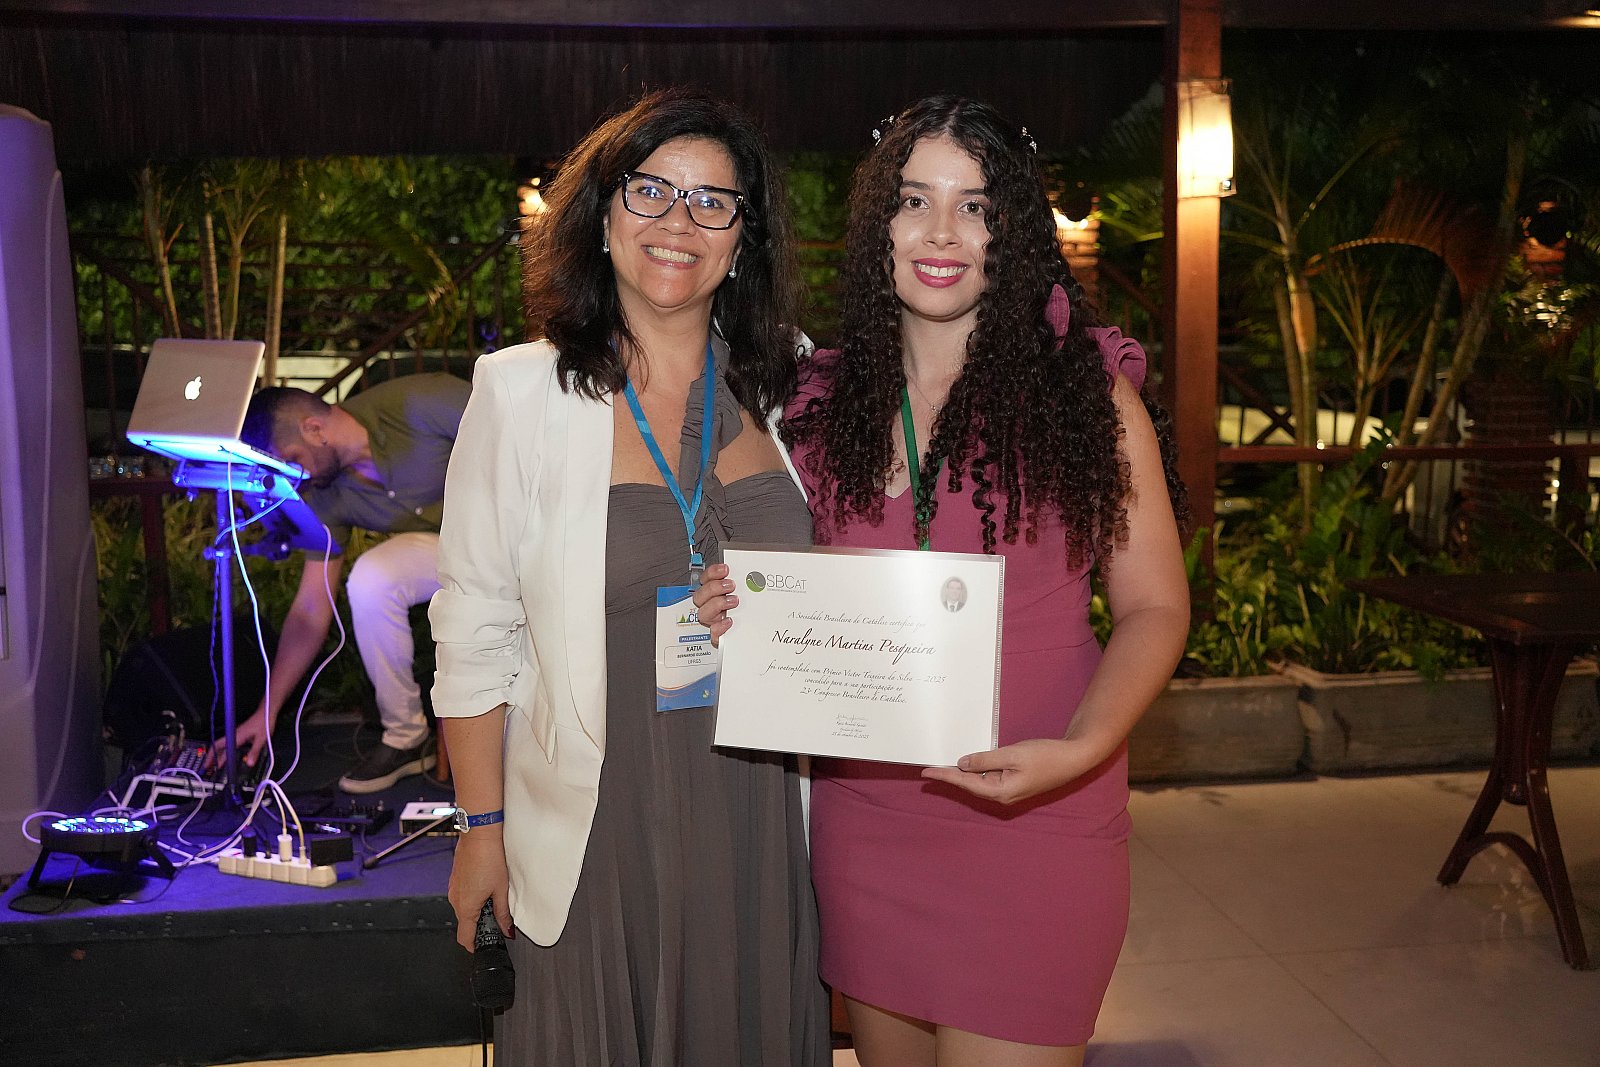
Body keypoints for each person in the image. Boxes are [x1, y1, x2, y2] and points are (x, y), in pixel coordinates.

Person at [695, 96, 1190, 1066]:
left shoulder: (1086, 395)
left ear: (1015, 233)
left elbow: (1156, 606)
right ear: (879, 226)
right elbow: (792, 597)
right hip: (870, 825)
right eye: (914, 200)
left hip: (1041, 814)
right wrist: (737, 608)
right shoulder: (817, 405)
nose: (940, 232)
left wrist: (1083, 746)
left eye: (975, 207)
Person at [428, 88, 830, 1065]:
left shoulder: (790, 383)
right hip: (597, 817)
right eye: (651, 191)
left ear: (743, 239)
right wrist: (481, 828)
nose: (678, 222)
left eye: (712, 202)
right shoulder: (521, 392)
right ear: (602, 215)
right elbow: (473, 626)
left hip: (756, 811)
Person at [234, 372, 470, 793]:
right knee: (370, 579)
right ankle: (407, 737)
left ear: (314, 429)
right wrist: (267, 710)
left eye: (291, 460)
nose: (295, 478)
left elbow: (530, 447)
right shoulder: (324, 495)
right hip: (452, 548)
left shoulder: (421, 400)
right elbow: (311, 607)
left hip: (524, 534)